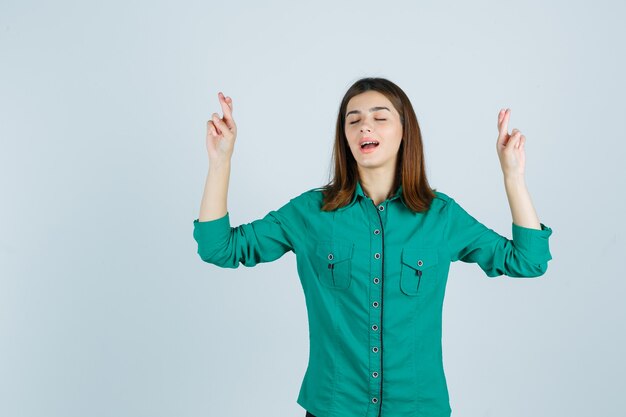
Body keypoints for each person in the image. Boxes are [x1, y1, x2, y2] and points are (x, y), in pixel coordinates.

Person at [193, 77, 553, 417]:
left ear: (403, 132)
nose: (365, 126)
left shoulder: (441, 217)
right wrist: (220, 161)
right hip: (332, 406)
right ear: (345, 137)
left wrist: (513, 177)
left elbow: (528, 261)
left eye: (380, 118)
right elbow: (219, 248)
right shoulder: (311, 213)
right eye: (354, 121)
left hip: (418, 407)